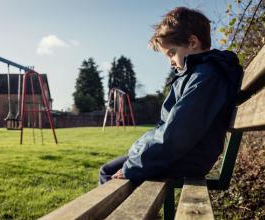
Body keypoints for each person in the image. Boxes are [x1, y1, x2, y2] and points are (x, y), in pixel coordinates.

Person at [99, 7, 243, 185]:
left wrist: (132, 166)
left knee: (108, 174)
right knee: (109, 169)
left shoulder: (206, 77)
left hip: (186, 159)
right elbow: (168, 128)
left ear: (192, 42)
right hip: (180, 155)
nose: (171, 62)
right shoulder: (195, 74)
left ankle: (124, 214)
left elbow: (178, 134)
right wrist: (137, 152)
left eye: (172, 53)